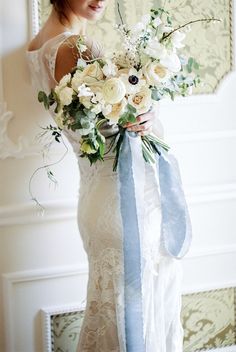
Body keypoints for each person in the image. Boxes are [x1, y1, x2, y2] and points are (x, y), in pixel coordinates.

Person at [26, 1, 189, 351]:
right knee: (137, 318)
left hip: (96, 198)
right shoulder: (76, 48)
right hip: (128, 201)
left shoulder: (38, 45)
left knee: (116, 313)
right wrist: (144, 112)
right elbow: (121, 127)